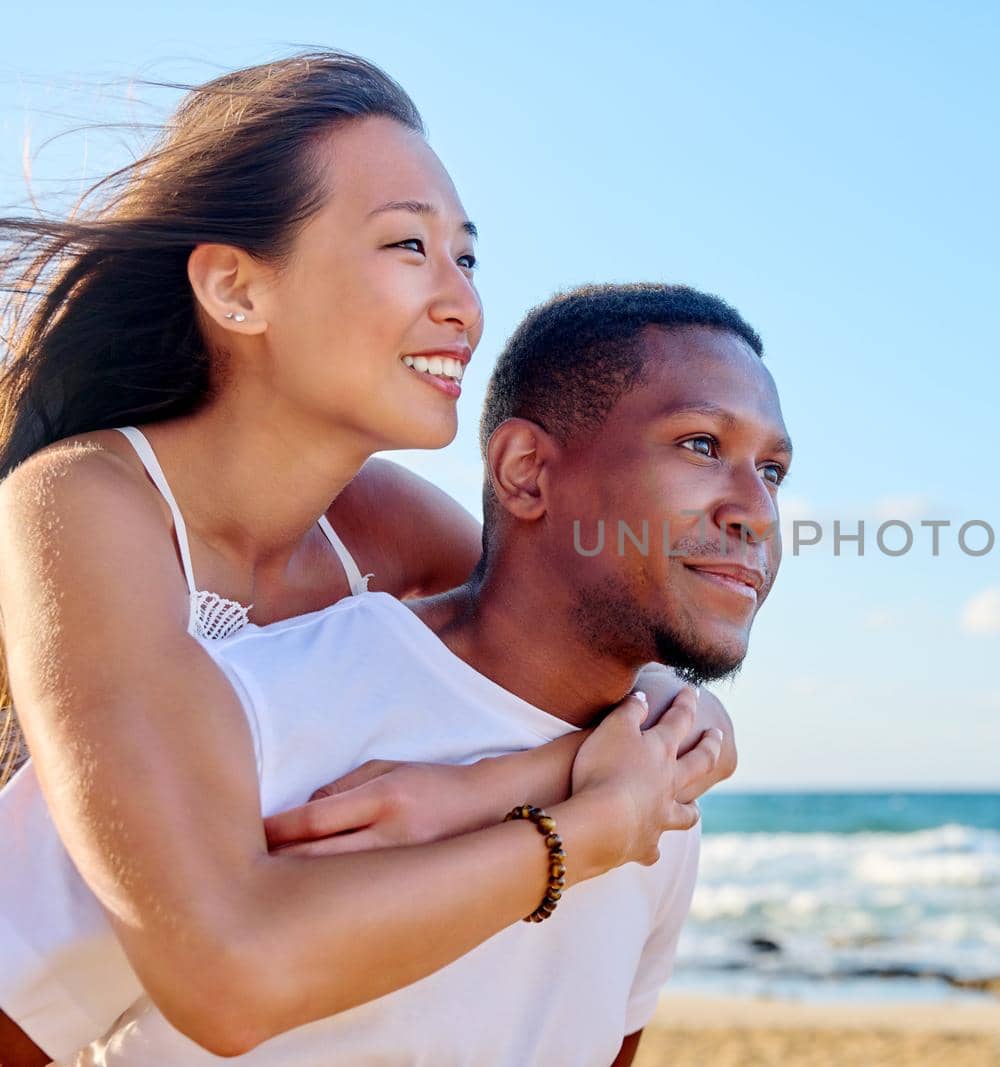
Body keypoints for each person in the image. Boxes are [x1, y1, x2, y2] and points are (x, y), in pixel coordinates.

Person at [0, 54, 732, 1064]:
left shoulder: (381, 524)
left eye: (466, 259)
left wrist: (474, 791)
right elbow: (223, 968)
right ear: (236, 288)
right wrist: (591, 825)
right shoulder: (85, 503)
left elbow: (646, 693)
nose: (462, 304)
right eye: (407, 246)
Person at [34, 282, 789, 1065]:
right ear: (527, 472)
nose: (758, 511)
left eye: (773, 471)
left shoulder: (662, 779)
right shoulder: (243, 706)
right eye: (701, 445)